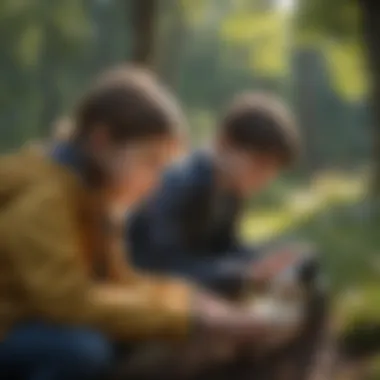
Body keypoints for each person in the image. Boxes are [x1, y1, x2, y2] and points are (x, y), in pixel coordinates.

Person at [0, 67, 272, 380]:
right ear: (102, 141)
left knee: (115, 338)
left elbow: (119, 282)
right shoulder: (45, 198)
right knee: (83, 350)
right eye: (150, 162)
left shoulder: (95, 198)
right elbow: (69, 301)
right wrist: (191, 319)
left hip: (25, 321)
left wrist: (193, 303)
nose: (156, 182)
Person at [126, 92, 329, 379]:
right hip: (152, 301)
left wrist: (270, 258)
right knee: (255, 317)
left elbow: (225, 248)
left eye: (272, 168)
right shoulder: (180, 184)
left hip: (198, 291)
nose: (264, 177)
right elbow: (160, 265)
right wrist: (245, 272)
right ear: (223, 143)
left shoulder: (229, 191)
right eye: (259, 164)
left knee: (310, 290)